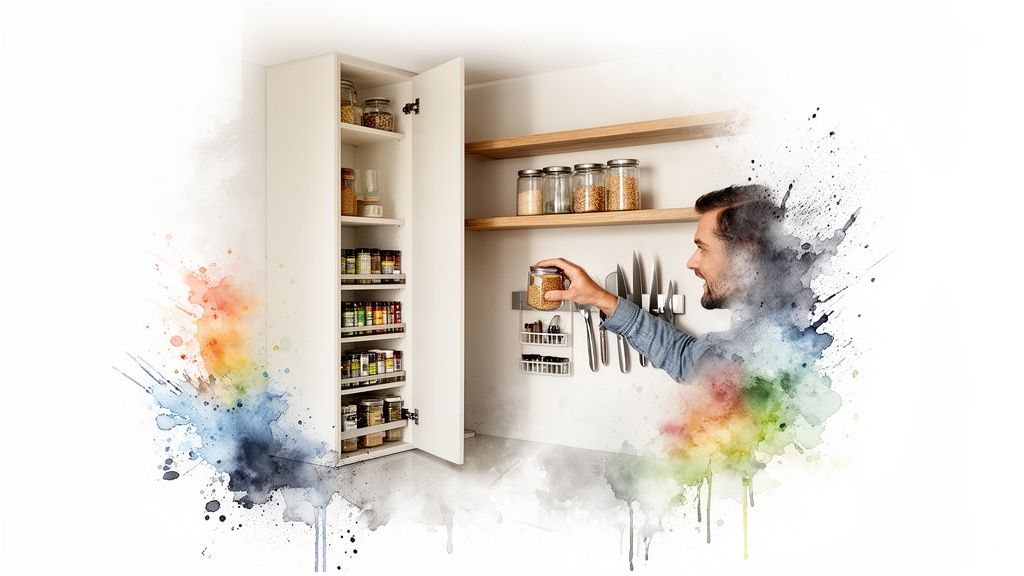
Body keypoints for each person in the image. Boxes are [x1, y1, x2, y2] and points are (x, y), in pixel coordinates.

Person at [536, 184, 790, 381]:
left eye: (703, 248)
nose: (691, 262)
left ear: (747, 253)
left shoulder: (788, 342)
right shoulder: (758, 326)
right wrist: (599, 298)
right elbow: (689, 362)